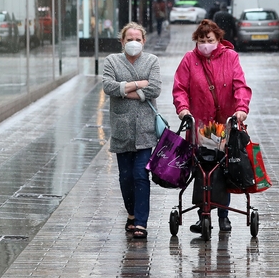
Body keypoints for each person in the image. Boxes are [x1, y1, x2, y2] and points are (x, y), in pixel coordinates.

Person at [173, 19, 252, 234]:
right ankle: (203, 214)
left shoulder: (230, 57)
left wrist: (241, 108)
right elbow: (180, 88)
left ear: (218, 40)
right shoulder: (190, 60)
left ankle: (223, 215)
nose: (205, 44)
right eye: (201, 40)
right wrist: (183, 109)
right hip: (200, 125)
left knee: (224, 168)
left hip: (224, 124)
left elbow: (240, 86)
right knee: (202, 170)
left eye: (209, 40)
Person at [102, 23, 162, 240]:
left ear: (144, 41)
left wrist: (123, 89)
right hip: (122, 128)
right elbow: (108, 87)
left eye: (138, 39)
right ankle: (131, 213)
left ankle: (141, 222)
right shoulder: (112, 61)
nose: (133, 43)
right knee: (125, 177)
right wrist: (138, 84)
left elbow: (155, 88)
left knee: (140, 174)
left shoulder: (152, 61)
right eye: (129, 39)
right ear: (122, 41)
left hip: (145, 130)